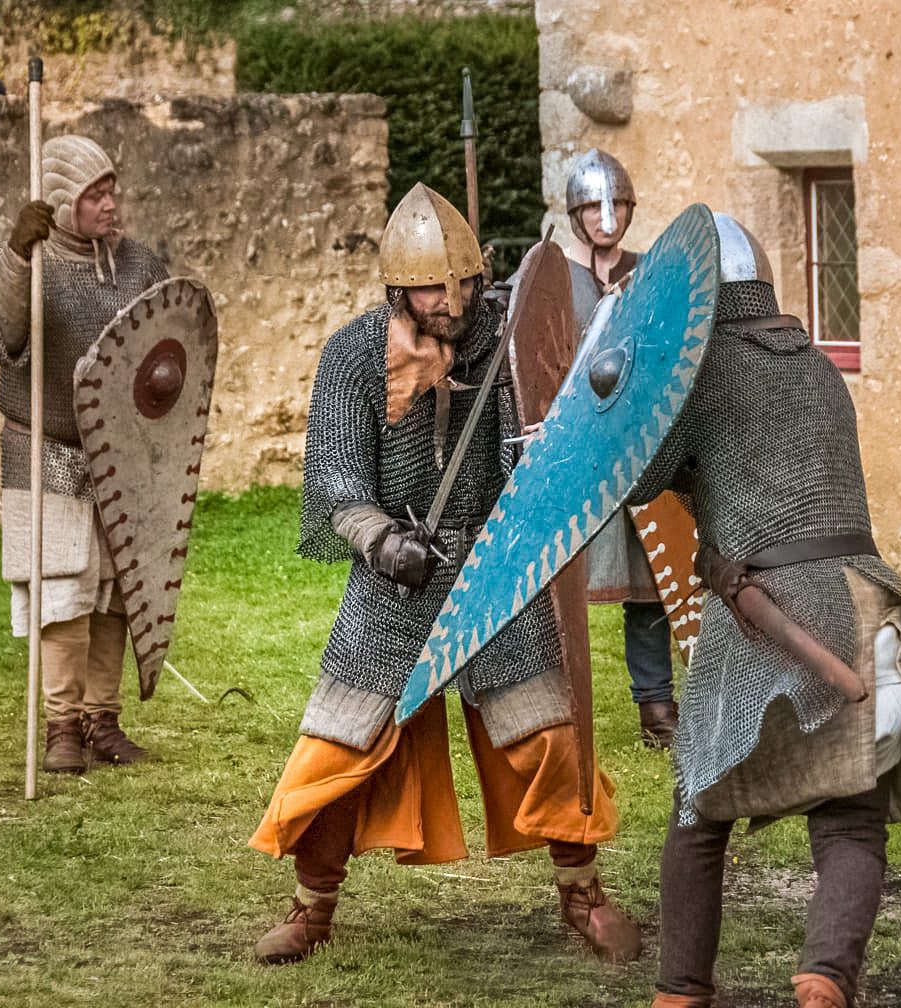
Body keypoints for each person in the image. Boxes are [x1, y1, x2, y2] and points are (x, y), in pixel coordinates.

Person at [247, 183, 640, 967]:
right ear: (399, 288)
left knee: (551, 735)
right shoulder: (356, 356)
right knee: (340, 747)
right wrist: (383, 543)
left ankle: (582, 892)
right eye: (431, 288)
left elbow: (537, 450)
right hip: (394, 580)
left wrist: (541, 450)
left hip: (495, 569)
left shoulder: (507, 342)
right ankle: (312, 905)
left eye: (461, 283)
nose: (450, 302)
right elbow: (336, 484)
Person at [628, 214, 901, 1008]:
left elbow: (637, 479)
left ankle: (680, 992)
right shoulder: (817, 365)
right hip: (868, 606)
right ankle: (826, 979)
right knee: (850, 819)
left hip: (773, 610)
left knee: (698, 808)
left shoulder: (704, 371)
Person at [0, 135, 166, 774]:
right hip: (45, 448)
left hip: (119, 454)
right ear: (62, 203)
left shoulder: (138, 267)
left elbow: (168, 350)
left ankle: (100, 720)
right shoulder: (29, 262)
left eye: (112, 190)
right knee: (63, 590)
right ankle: (61, 727)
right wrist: (15, 258)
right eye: (94, 195)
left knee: (116, 593)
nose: (110, 204)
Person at [563, 148, 678, 748]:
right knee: (562, 587)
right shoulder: (557, 280)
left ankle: (657, 709)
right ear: (576, 215)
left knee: (650, 581)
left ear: (629, 210)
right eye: (593, 208)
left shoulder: (651, 272)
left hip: (640, 449)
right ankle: (558, 709)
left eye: (616, 206)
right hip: (579, 453)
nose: (606, 218)